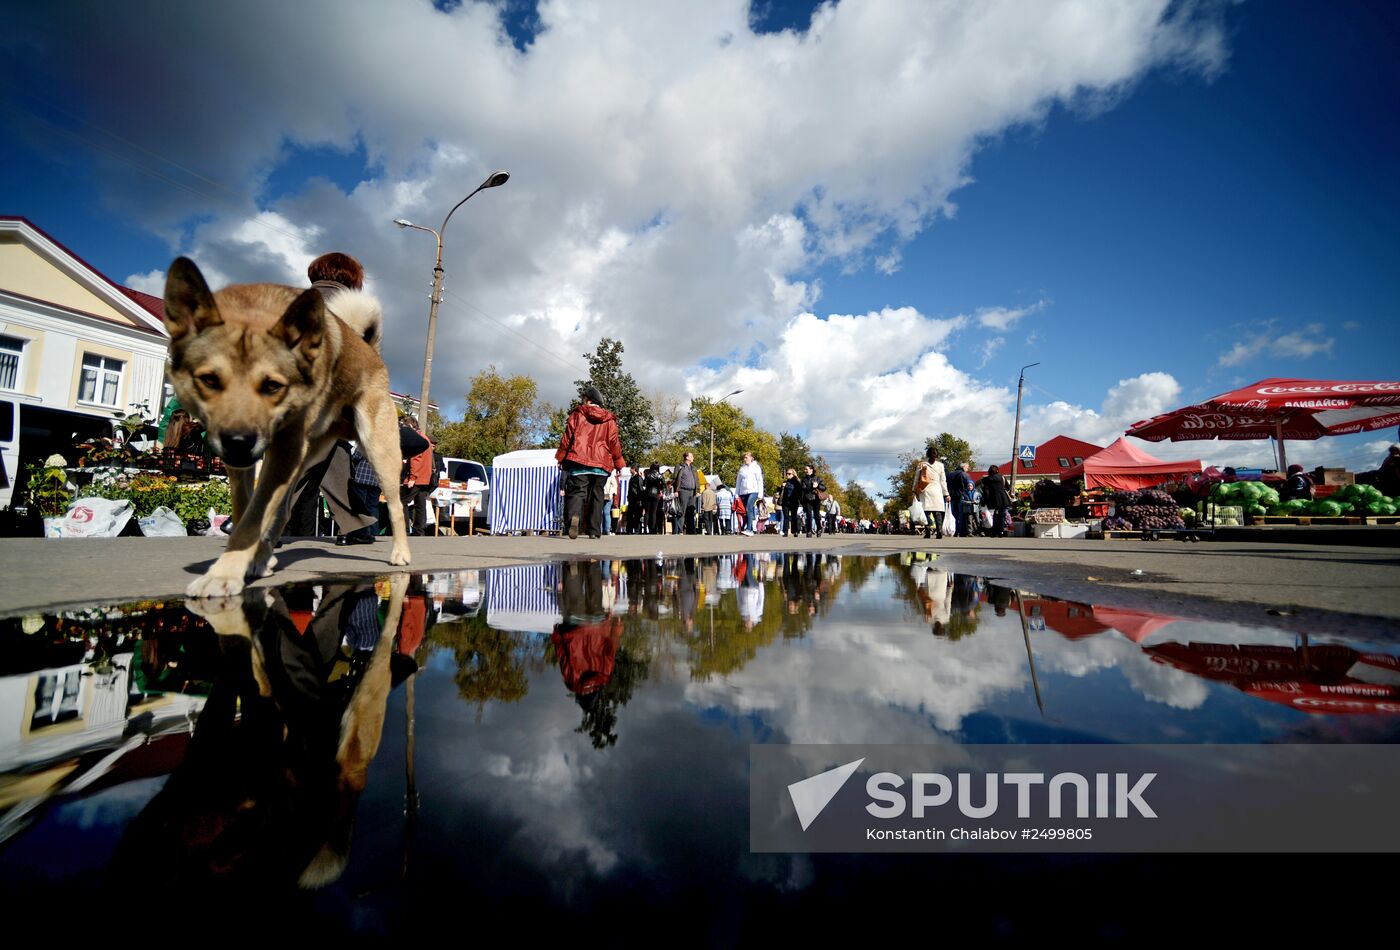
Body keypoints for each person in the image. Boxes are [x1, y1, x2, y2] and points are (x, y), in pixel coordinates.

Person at [555, 385, 627, 539]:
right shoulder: (609, 419)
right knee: (597, 494)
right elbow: (614, 442)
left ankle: (574, 518)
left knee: (577, 492)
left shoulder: (578, 414)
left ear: (588, 400)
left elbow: (568, 437)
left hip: (579, 461)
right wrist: (619, 463)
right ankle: (594, 531)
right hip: (601, 464)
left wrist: (561, 457)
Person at [336, 442, 382, 545]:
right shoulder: (384, 443)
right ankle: (374, 532)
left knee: (360, 505)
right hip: (377, 479)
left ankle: (362, 531)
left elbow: (356, 456)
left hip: (362, 477)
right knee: (373, 506)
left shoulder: (366, 442)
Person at [915, 447, 951, 540]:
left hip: (925, 490)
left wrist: (914, 490)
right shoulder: (940, 465)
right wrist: (946, 494)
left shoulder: (921, 464)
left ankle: (927, 533)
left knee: (926, 512)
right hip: (937, 490)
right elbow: (943, 481)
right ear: (937, 455)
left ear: (927, 454)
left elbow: (916, 478)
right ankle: (939, 532)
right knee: (937, 512)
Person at [979, 464, 1013, 538]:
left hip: (993, 500)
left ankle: (994, 532)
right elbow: (1008, 487)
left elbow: (986, 492)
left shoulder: (987, 480)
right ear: (997, 470)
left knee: (994, 516)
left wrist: (984, 501)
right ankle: (1001, 531)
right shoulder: (1002, 477)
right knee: (1001, 516)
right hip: (1003, 499)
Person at [735, 450, 764, 536]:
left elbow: (760, 480)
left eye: (746, 457)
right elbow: (738, 482)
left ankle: (749, 529)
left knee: (749, 508)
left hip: (753, 491)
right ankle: (750, 528)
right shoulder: (742, 468)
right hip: (743, 492)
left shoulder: (756, 467)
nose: (745, 459)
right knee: (746, 511)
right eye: (744, 457)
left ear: (751, 458)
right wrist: (737, 494)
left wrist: (760, 494)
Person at [674, 451, 700, 534]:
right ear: (687, 457)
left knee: (691, 511)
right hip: (683, 490)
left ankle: (691, 530)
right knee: (682, 511)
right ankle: (679, 529)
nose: (693, 458)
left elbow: (697, 480)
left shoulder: (693, 468)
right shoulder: (680, 466)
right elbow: (675, 478)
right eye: (691, 456)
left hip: (692, 492)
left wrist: (698, 490)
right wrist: (676, 490)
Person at [947, 462, 975, 537]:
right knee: (961, 515)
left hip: (952, 497)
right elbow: (969, 484)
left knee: (954, 515)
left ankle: (955, 531)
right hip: (961, 497)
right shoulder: (964, 474)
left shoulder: (950, 474)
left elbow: (947, 485)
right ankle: (961, 531)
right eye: (967, 467)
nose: (967, 469)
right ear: (963, 467)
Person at [799, 464, 824, 537]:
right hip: (807, 499)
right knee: (809, 516)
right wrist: (801, 500)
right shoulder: (804, 479)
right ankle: (809, 531)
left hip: (816, 499)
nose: (805, 471)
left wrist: (818, 485)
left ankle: (819, 528)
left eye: (806, 469)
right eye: (805, 469)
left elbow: (824, 488)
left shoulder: (818, 478)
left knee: (816, 515)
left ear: (811, 470)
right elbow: (803, 489)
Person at [602, 469, 619, 535]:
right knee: (607, 513)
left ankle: (599, 529)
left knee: (600, 513)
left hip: (601, 495)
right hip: (609, 495)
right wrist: (613, 493)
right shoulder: (611, 475)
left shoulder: (600, 475)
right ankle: (606, 530)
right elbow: (615, 485)